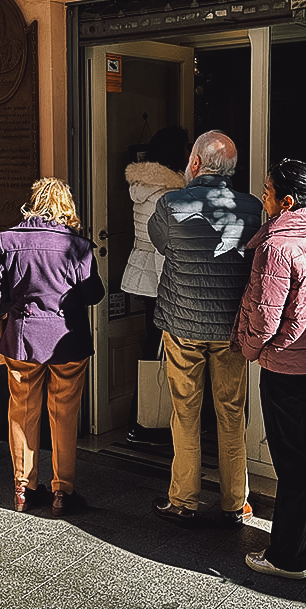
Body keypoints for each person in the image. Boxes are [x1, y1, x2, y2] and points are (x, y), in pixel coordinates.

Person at [233, 159, 306, 579]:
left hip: (287, 367)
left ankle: (287, 557)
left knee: (292, 461)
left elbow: (266, 315)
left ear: (287, 200)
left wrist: (251, 349)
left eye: (267, 190)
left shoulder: (277, 247)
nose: (262, 195)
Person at [148, 130, 263, 525]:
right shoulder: (251, 208)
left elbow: (162, 245)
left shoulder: (170, 204)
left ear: (195, 163)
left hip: (183, 323)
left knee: (186, 413)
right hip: (231, 328)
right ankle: (236, 502)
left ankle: (183, 499)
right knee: (232, 414)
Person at [0, 177, 105, 516]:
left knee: (23, 413)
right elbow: (93, 294)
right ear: (65, 206)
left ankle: (24, 489)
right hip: (67, 342)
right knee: (65, 415)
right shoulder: (78, 246)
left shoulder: (10, 240)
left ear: (35, 202)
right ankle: (62, 492)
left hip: (23, 339)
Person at [121, 125, 190, 444]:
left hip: (144, 272)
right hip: (166, 275)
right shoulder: (171, 193)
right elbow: (175, 240)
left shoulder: (141, 185)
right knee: (166, 348)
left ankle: (143, 417)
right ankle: (152, 421)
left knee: (153, 343)